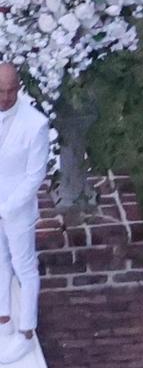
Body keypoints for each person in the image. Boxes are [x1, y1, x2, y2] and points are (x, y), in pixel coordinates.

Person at [0, 62, 50, 365]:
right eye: (0, 92)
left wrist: (5, 209)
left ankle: (27, 330)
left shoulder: (35, 125)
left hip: (16, 211)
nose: (5, 98)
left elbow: (35, 176)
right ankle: (3, 317)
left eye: (10, 91)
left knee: (24, 267)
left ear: (18, 88)